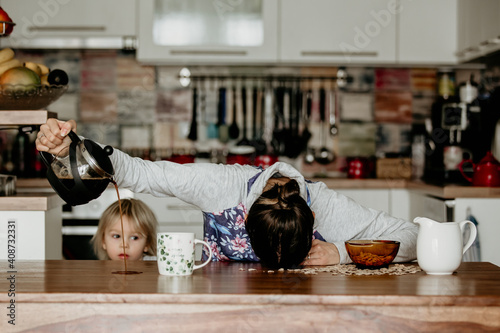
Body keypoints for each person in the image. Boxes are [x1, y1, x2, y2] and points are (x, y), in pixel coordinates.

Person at [37, 119, 418, 269]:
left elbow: (414, 237)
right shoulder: (220, 185)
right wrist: (67, 146)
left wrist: (341, 252)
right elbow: (139, 171)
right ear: (245, 214)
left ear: (314, 219)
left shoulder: (328, 205)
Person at [91, 198, 158, 261]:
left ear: (147, 243)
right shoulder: (101, 269)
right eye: (116, 236)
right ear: (104, 241)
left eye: (134, 237)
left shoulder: (155, 265)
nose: (124, 245)